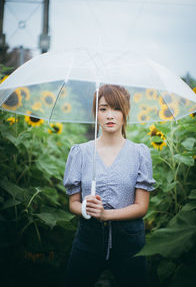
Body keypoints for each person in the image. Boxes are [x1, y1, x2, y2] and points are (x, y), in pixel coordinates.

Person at [63, 84, 156, 287]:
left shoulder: (139, 153)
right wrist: (86, 208)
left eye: (116, 108)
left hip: (130, 239)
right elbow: (73, 203)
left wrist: (107, 215)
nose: (109, 115)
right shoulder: (81, 152)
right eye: (103, 109)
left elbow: (141, 207)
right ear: (95, 114)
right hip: (88, 237)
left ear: (125, 112)